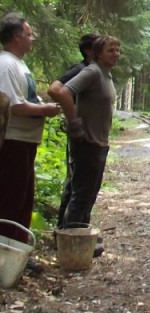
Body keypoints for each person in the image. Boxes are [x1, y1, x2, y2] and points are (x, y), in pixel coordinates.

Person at [47, 35, 121, 245]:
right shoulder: (92, 72)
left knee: (88, 195)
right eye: (110, 50)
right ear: (97, 53)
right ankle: (70, 244)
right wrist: (74, 123)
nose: (115, 53)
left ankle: (81, 238)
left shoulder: (105, 75)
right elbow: (62, 92)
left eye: (117, 50)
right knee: (80, 196)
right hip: (87, 143)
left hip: (99, 144)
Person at [0, 13, 62, 244]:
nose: (32, 38)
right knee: (10, 201)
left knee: (23, 199)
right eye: (29, 34)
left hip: (25, 141)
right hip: (12, 141)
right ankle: (5, 256)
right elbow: (14, 105)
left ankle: (18, 250)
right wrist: (45, 109)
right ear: (16, 37)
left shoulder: (19, 64)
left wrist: (41, 104)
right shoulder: (6, 65)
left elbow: (24, 98)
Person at [51, 33, 99, 228]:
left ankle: (77, 231)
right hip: (81, 137)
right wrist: (73, 120)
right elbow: (55, 89)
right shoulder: (80, 70)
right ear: (88, 50)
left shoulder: (94, 70)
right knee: (75, 187)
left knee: (80, 187)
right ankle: (66, 233)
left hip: (89, 136)